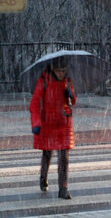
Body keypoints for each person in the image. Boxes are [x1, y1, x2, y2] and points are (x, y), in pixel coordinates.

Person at [30, 56, 76, 200]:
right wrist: (36, 123)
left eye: (64, 70)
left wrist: (71, 95)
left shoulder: (68, 81)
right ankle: (43, 177)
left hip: (64, 123)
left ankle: (63, 188)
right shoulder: (43, 82)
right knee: (47, 153)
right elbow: (35, 104)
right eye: (59, 71)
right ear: (52, 69)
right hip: (48, 123)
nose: (61, 73)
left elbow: (73, 101)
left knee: (64, 157)